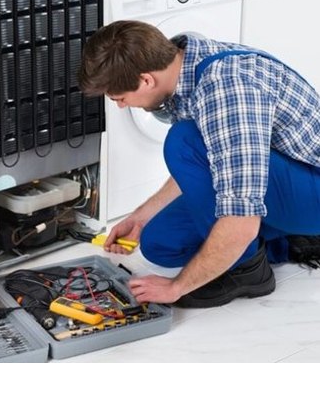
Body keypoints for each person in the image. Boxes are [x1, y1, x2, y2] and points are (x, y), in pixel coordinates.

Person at [79, 19, 320, 309]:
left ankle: (247, 271)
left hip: (312, 184)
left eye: (120, 98)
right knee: (160, 243)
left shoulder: (226, 90)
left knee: (184, 140)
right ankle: (293, 239)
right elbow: (209, 163)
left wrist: (177, 287)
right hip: (279, 181)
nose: (120, 105)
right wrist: (142, 216)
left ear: (146, 80)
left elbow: (241, 215)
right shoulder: (183, 67)